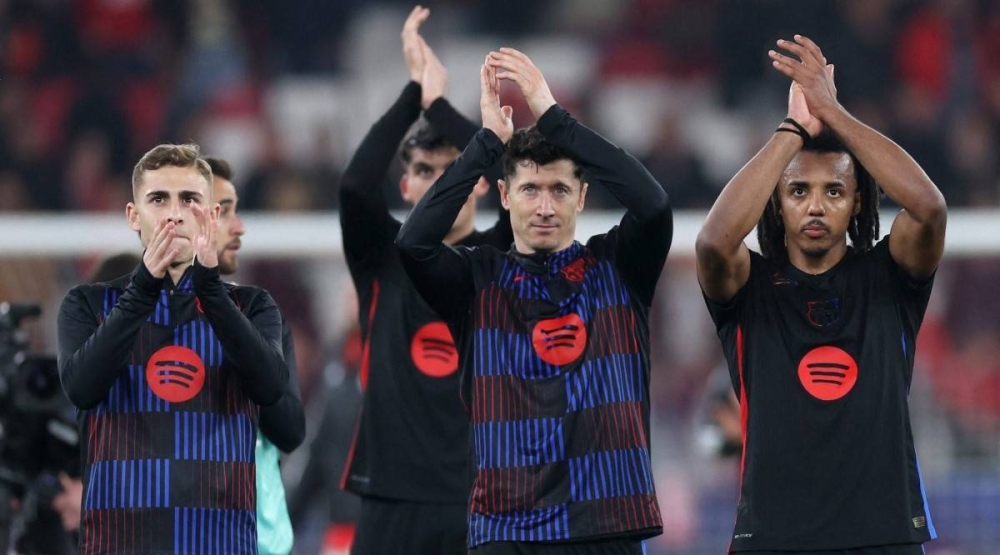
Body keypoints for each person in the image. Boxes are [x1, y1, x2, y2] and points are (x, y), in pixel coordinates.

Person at [396, 48, 672, 553]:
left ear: (582, 198)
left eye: (560, 190)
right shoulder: (477, 279)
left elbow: (653, 204)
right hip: (507, 531)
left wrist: (553, 116)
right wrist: (484, 144)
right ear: (503, 196)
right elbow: (413, 244)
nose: (545, 207)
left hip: (606, 523)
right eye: (529, 190)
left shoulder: (619, 266)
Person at [695, 35, 947, 554]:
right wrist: (793, 132)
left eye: (834, 191)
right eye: (797, 191)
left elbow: (929, 209)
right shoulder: (750, 288)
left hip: (883, 538)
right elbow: (714, 242)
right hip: (773, 541)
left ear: (857, 204)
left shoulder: (889, 277)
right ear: (777, 203)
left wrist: (833, 113)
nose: (815, 207)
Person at [57, 143, 289, 555]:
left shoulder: (252, 305)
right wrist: (145, 285)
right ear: (134, 215)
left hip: (221, 545)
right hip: (120, 544)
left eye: (190, 199)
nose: (175, 213)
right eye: (159, 199)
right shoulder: (87, 304)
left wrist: (211, 291)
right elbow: (81, 389)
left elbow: (271, 390)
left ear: (212, 215)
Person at [338, 6, 512, 554]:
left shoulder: (498, 256)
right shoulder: (380, 256)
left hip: (484, 493)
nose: (439, 182)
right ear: (406, 186)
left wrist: (443, 106)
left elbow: (521, 170)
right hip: (392, 494)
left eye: (452, 168)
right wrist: (415, 93)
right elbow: (355, 186)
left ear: (479, 182)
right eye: (424, 171)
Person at [204, 156, 306, 555]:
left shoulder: (260, 314)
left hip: (259, 542)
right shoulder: (140, 322)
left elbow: (289, 430)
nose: (239, 226)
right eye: (223, 211)